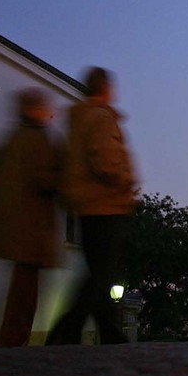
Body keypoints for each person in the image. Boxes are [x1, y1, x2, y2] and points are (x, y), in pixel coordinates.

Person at [46, 67, 137, 346]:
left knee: (99, 269)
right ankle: (65, 330)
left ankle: (108, 333)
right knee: (101, 271)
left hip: (85, 205)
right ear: (105, 88)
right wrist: (125, 182)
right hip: (106, 203)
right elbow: (106, 158)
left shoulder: (79, 119)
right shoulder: (100, 117)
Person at [0, 89, 64, 347]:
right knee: (24, 291)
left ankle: (13, 339)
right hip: (31, 230)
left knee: (22, 288)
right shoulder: (35, 139)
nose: (48, 113)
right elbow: (45, 179)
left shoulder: (13, 138)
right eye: (44, 107)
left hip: (15, 228)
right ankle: (12, 341)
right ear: (32, 109)